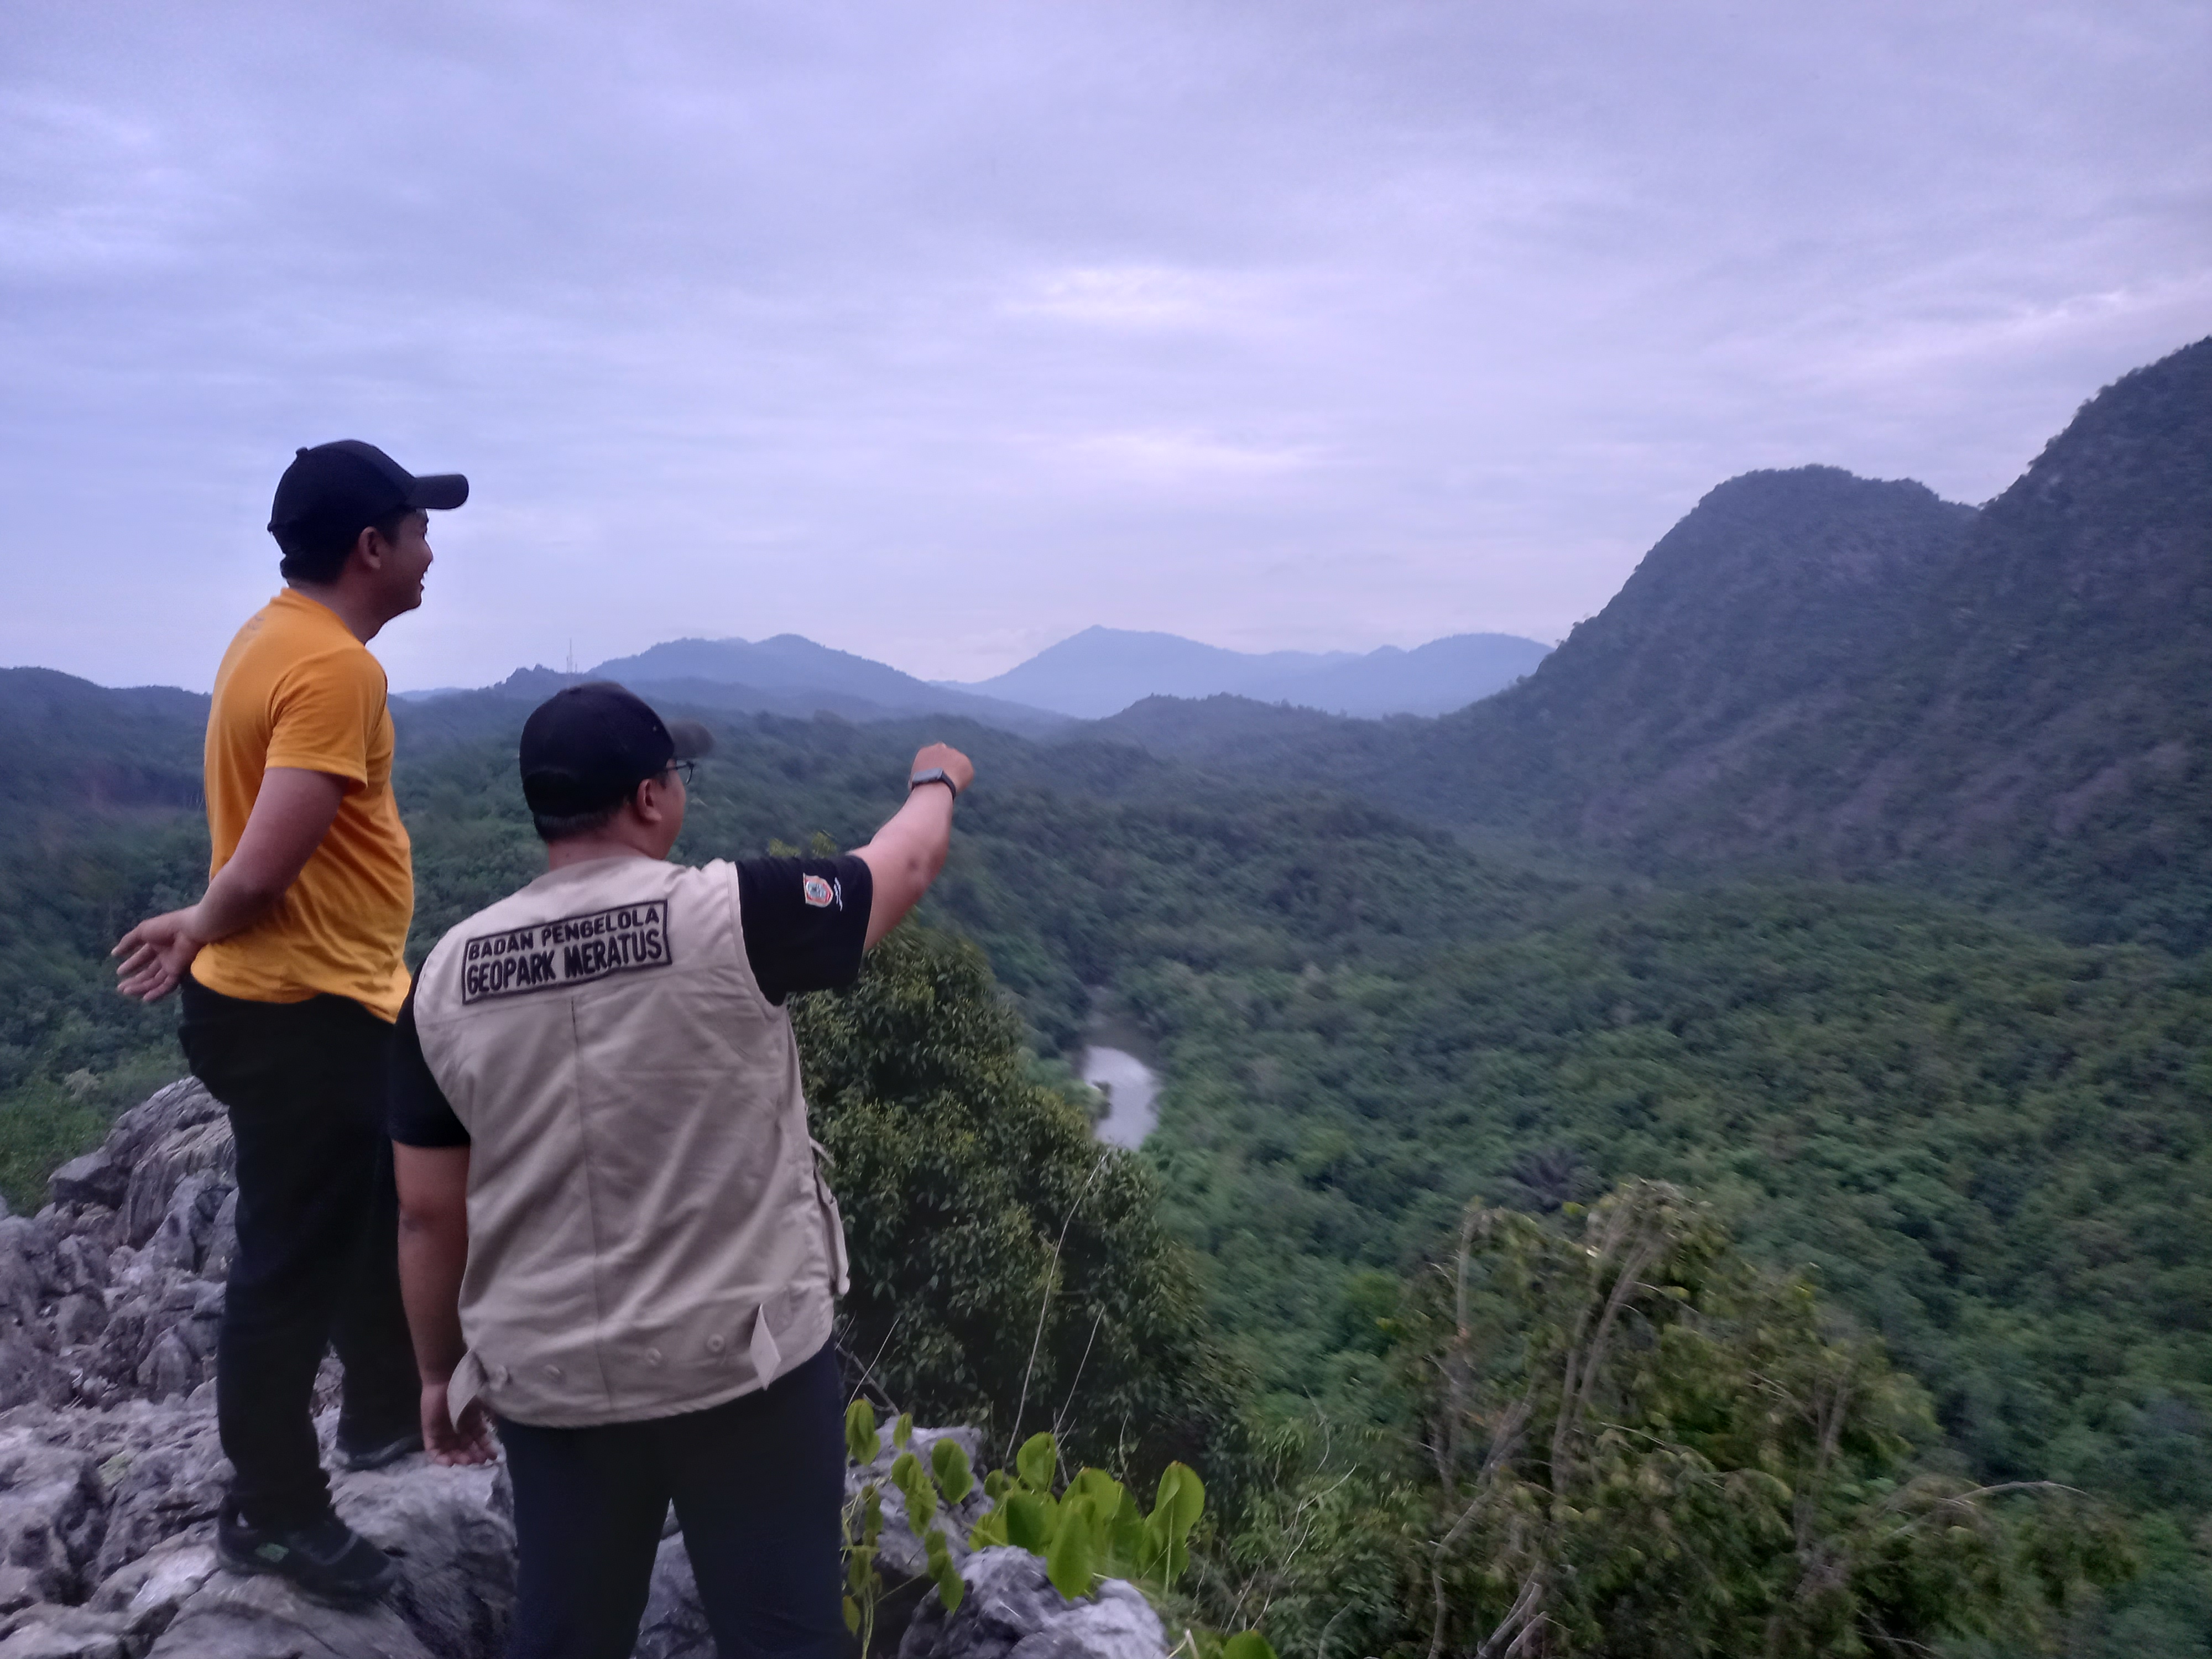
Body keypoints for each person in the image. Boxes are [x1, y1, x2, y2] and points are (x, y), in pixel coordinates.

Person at [387, 681, 973, 1659]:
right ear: (654, 799)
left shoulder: (442, 981)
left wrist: (439, 1374)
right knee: (785, 1636)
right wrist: (936, 777)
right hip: (743, 1368)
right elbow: (904, 865)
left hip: (551, 1378)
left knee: (570, 1637)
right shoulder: (735, 914)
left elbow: (425, 1214)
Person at [112, 440, 469, 1605]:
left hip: (324, 997)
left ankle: (377, 1415)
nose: (431, 549)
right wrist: (204, 918)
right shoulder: (334, 671)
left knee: (368, 1207)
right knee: (289, 1262)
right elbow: (271, 859)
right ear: (372, 548)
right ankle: (270, 1510)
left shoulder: (275, 635)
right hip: (295, 1009)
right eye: (418, 528)